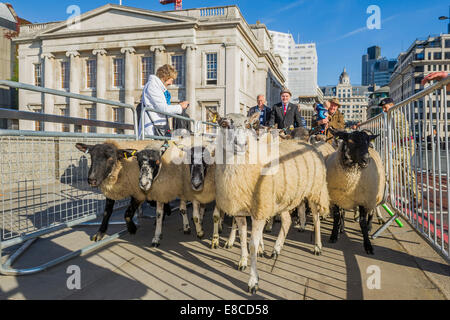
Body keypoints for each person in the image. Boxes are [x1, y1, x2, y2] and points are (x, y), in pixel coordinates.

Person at [380, 97, 420, 206]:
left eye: (385, 107)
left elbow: (389, 128)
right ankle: (416, 198)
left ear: (392, 105)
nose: (384, 110)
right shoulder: (391, 115)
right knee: (404, 174)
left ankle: (385, 192)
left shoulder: (395, 113)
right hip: (402, 145)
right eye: (383, 108)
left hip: (406, 145)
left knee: (389, 163)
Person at [139, 64, 189, 137]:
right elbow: (163, 109)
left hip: (158, 127)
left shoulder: (157, 87)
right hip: (152, 130)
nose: (171, 83)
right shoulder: (153, 86)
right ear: (165, 77)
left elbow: (162, 112)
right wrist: (180, 107)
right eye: (171, 80)